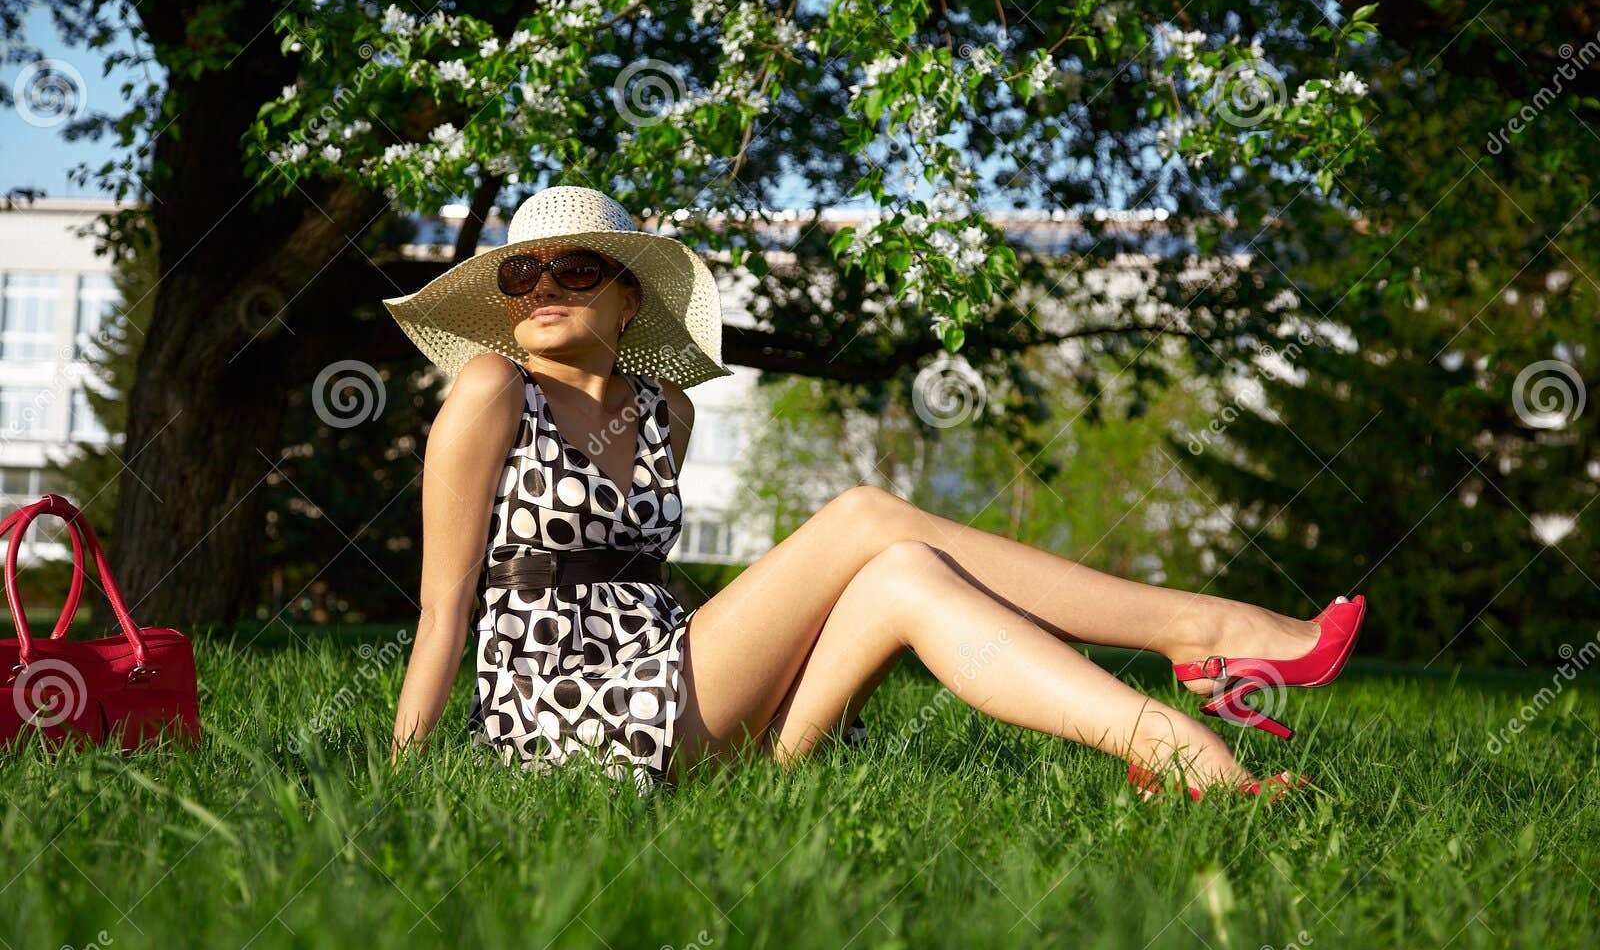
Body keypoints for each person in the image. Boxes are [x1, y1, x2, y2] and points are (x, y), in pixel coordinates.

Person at [385, 186, 1366, 800]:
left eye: (576, 267)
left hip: (677, 692)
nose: (543, 286)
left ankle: (1169, 748)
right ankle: (1199, 633)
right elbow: (444, 611)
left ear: (628, 294)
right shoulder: (489, 388)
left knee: (900, 570)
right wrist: (403, 788)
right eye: (522, 272)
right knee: (864, 516)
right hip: (562, 718)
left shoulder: (664, 411)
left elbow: (638, 583)